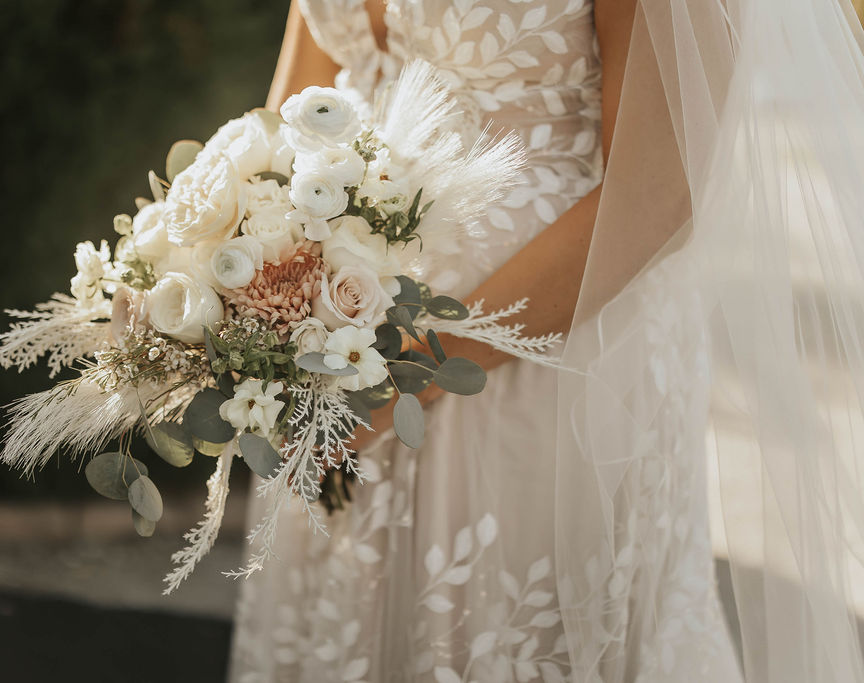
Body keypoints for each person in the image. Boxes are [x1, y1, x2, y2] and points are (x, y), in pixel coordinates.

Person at [230, 1, 864, 681]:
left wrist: (409, 375)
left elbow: (660, 189)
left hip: (545, 360)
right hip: (329, 346)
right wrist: (223, 274)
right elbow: (292, 107)